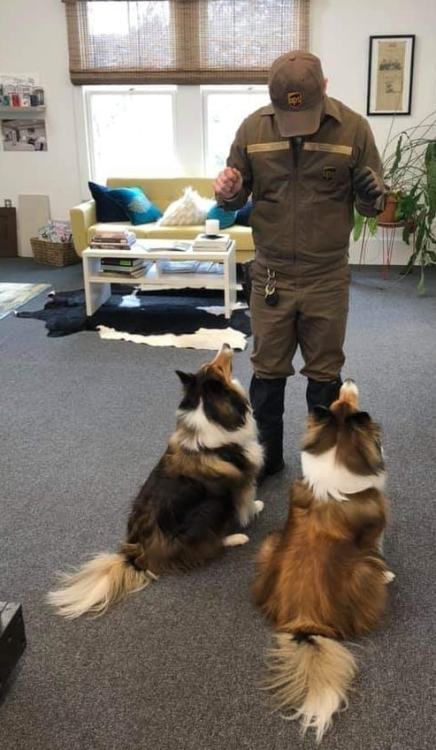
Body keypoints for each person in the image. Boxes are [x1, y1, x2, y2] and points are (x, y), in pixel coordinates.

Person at [213, 51, 385, 481]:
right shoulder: (253, 128)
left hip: (326, 275)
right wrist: (228, 190)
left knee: (325, 375)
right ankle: (268, 457)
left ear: (324, 87)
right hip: (270, 273)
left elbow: (373, 206)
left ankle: (322, 460)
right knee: (267, 373)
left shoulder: (354, 129)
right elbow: (232, 199)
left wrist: (369, 193)